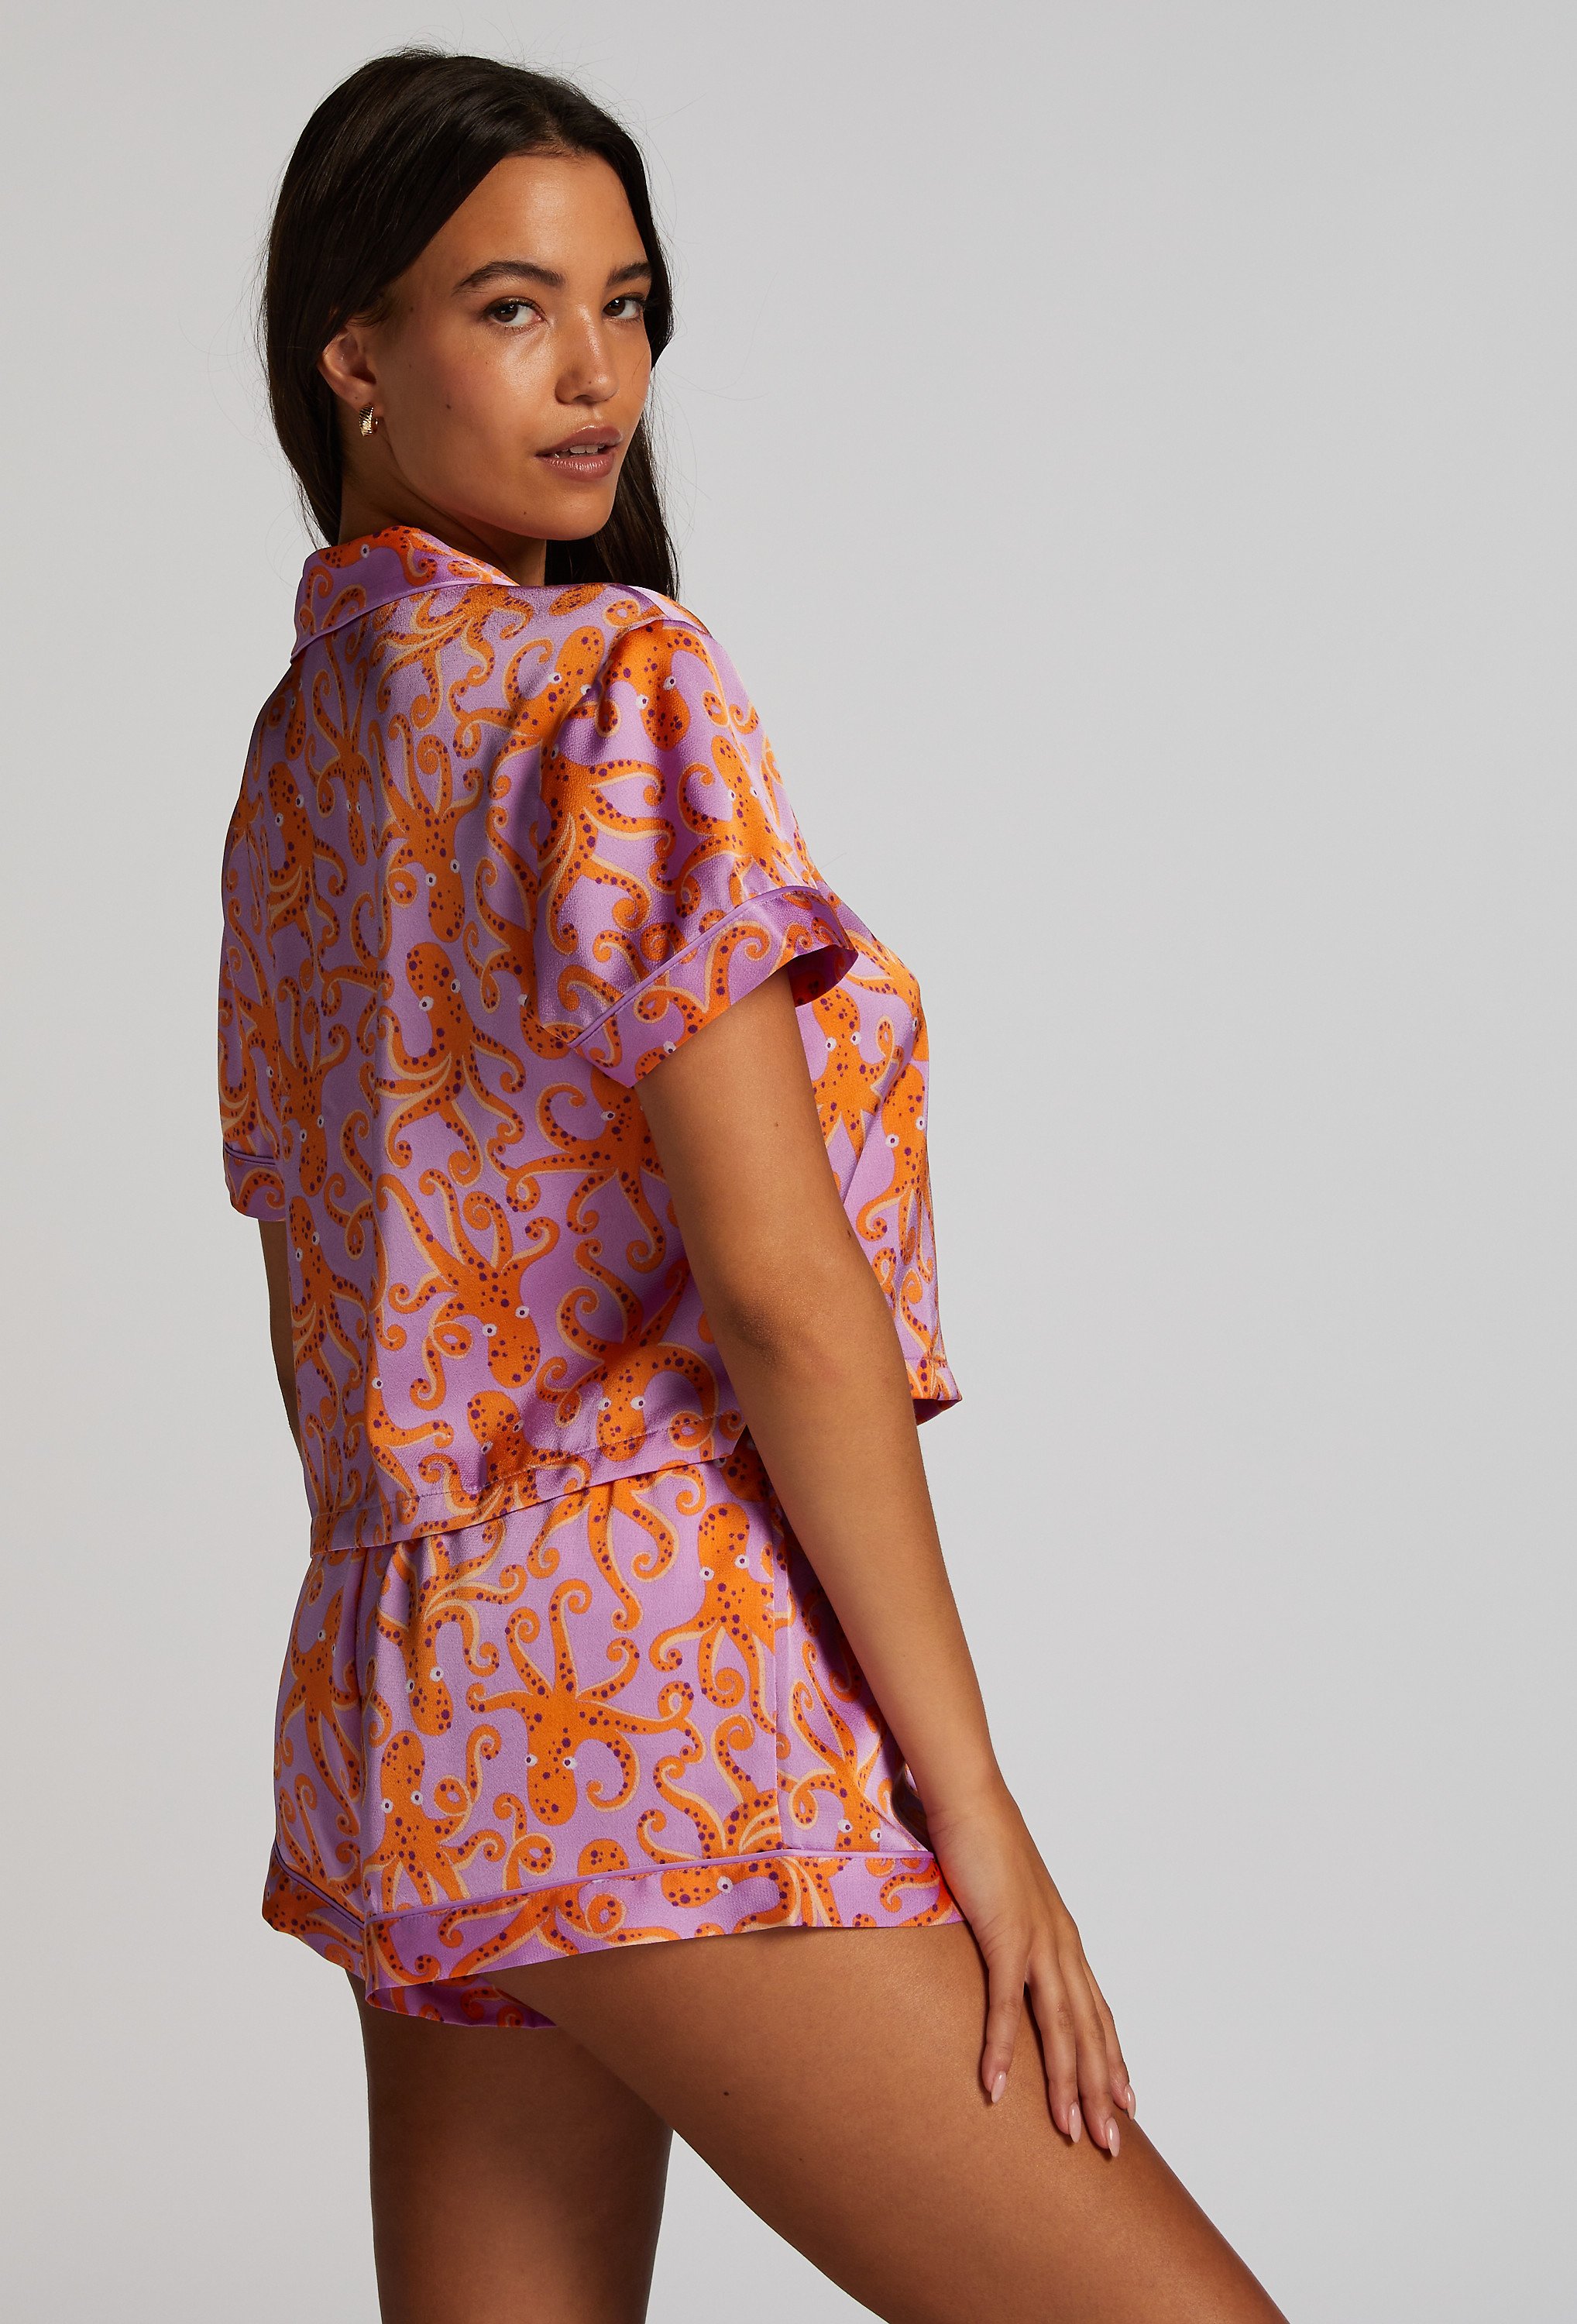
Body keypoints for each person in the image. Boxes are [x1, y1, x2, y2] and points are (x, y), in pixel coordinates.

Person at [218, 46, 1285, 2324]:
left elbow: (320, 1288)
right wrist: (970, 1807)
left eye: (625, 305)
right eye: (512, 307)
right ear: (353, 352)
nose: (595, 372)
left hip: (407, 1712)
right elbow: (786, 1297)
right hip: (651, 1694)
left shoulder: (303, 755)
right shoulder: (614, 687)